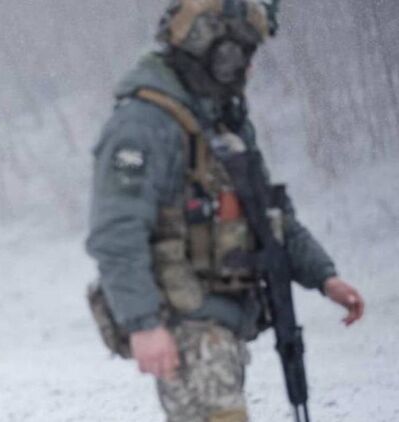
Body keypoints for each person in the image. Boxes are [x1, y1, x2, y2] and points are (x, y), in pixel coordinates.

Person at [86, 1, 365, 421]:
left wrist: (324, 277)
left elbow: (269, 215)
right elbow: (116, 231)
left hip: (223, 320)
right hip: (184, 322)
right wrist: (143, 324)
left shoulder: (221, 119)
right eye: (242, 52)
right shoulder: (144, 124)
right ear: (214, 49)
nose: (249, 68)